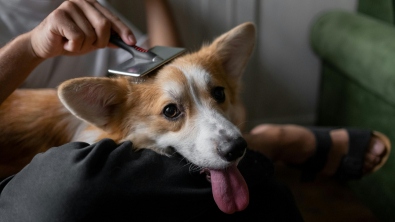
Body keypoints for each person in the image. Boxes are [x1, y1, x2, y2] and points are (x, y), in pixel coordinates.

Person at [0, 0, 390, 220]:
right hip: (63, 161)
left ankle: (263, 147)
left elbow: (169, 66)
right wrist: (30, 47)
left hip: (129, 118)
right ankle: (268, 146)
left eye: (219, 94)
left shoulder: (93, 7)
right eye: (173, 112)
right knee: (72, 192)